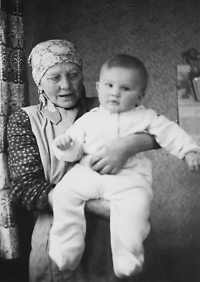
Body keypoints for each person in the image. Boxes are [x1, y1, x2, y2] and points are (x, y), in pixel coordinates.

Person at [7, 40, 162, 282]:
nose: (66, 85)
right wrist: (94, 205)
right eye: (54, 78)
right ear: (39, 81)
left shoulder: (104, 107)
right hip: (59, 235)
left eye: (73, 74)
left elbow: (159, 129)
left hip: (112, 238)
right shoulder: (25, 120)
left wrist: (127, 145)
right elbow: (24, 188)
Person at [49, 54, 200, 278]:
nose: (115, 92)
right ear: (98, 87)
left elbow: (170, 133)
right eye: (109, 85)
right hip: (88, 171)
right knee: (63, 194)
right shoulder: (90, 118)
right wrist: (65, 145)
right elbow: (74, 148)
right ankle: (66, 250)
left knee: (135, 208)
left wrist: (189, 150)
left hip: (128, 177)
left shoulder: (147, 117)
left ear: (140, 96)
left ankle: (128, 259)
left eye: (125, 88)